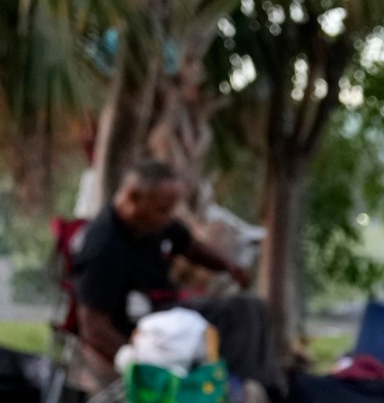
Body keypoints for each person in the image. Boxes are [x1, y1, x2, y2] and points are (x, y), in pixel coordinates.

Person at [71, 159, 250, 388]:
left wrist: (228, 266)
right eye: (163, 210)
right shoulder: (103, 245)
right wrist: (136, 361)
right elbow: (93, 325)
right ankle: (239, 391)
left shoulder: (152, 224)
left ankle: (246, 388)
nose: (168, 218)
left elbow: (189, 246)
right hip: (145, 329)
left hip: (170, 313)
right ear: (133, 197)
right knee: (240, 312)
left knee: (249, 309)